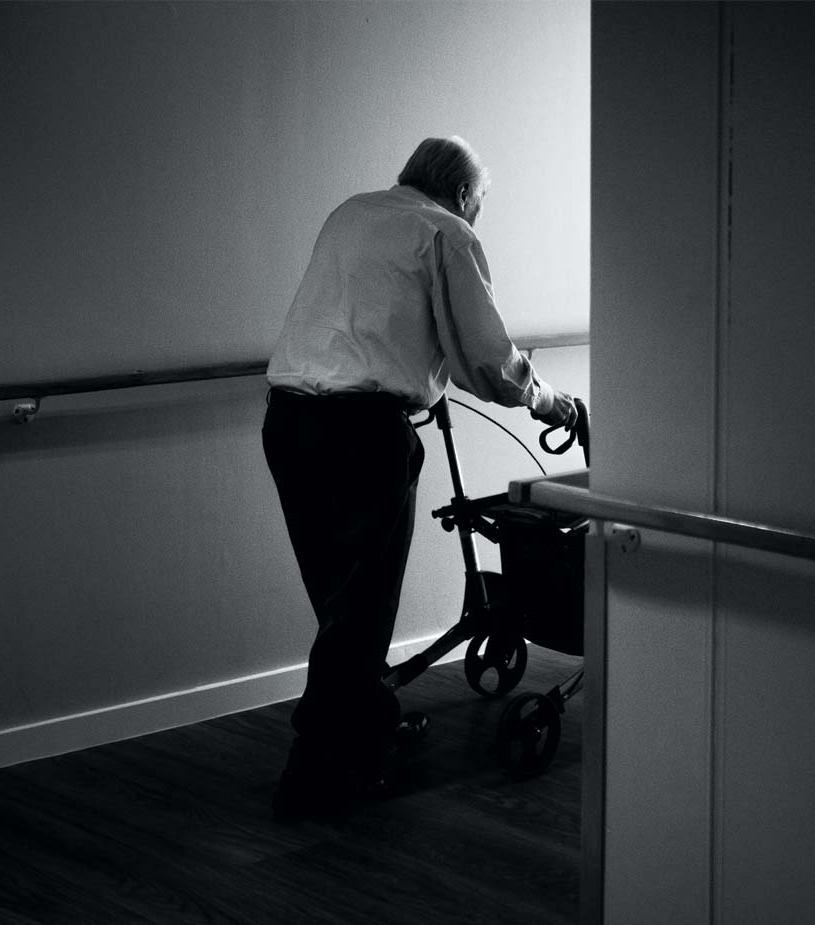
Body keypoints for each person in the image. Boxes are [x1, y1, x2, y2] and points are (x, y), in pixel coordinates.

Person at [261, 136, 576, 819]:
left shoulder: (351, 212)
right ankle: (317, 773)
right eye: (480, 203)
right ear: (464, 194)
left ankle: (369, 722)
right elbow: (488, 361)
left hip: (287, 422)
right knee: (362, 608)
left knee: (340, 603)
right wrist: (554, 403)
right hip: (361, 434)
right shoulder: (446, 231)